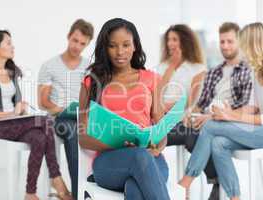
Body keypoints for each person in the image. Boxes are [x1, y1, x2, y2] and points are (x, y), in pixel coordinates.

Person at [0, 30, 72, 200]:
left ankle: (30, 193)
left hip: (14, 124)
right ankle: (56, 178)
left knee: (39, 137)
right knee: (46, 121)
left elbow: (15, 105)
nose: (13, 47)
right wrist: (11, 113)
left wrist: (22, 109)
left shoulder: (12, 72)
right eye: (8, 43)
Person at [78, 18, 170, 200]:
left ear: (135, 46)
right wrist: (118, 143)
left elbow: (161, 127)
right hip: (109, 163)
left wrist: (159, 145)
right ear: (105, 48)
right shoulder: (92, 82)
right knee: (139, 157)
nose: (120, 52)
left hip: (151, 159)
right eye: (113, 46)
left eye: (126, 45)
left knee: (135, 189)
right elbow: (83, 138)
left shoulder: (152, 79)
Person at [178, 23, 263, 200]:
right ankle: (234, 197)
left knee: (210, 126)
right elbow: (254, 108)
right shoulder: (257, 72)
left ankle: (186, 182)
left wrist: (230, 115)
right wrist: (226, 114)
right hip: (257, 130)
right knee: (218, 143)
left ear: (254, 44)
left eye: (244, 44)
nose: (243, 51)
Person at [155, 24, 221, 199]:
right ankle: (217, 180)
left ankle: (216, 181)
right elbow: (156, 96)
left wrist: (176, 104)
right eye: (168, 39)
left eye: (175, 39)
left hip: (183, 119)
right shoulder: (162, 67)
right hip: (162, 121)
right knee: (156, 140)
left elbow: (195, 100)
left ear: (186, 41)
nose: (170, 43)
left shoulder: (197, 68)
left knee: (193, 136)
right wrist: (171, 68)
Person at [38, 19, 94, 200]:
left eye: (82, 43)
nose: (77, 46)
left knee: (90, 129)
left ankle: (93, 190)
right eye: (75, 40)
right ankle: (79, 194)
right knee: (72, 129)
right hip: (58, 117)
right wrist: (63, 109)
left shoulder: (88, 68)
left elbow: (93, 98)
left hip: (81, 116)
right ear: (69, 36)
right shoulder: (49, 66)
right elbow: (43, 102)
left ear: (87, 44)